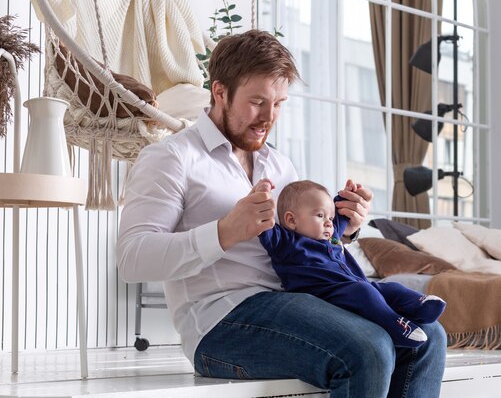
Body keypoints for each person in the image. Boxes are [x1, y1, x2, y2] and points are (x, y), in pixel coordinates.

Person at [116, 29, 446, 398]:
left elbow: (300, 245)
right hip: (221, 325)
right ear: (219, 91)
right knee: (367, 348)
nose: (268, 117)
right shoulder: (171, 158)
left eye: (278, 103)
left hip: (300, 302)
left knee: (429, 336)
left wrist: (342, 230)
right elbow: (132, 259)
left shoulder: (279, 163)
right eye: (257, 102)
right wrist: (225, 231)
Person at [256, 178, 446, 348]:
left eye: (330, 218)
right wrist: (260, 198)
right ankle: (394, 325)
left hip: (355, 286)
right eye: (320, 216)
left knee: (388, 287)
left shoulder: (332, 235)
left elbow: (342, 210)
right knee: (364, 292)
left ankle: (419, 305)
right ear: (291, 220)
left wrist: (350, 194)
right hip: (324, 294)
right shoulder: (285, 242)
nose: (329, 223)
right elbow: (263, 225)